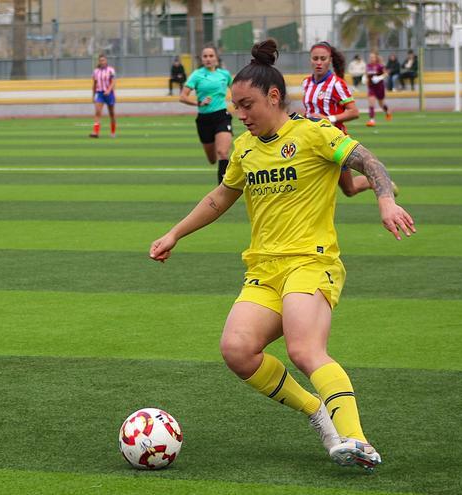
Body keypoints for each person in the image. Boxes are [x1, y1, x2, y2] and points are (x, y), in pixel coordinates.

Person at [150, 39, 415, 472]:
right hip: (265, 268)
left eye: (247, 104)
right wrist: (175, 233)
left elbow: (369, 162)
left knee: (305, 349)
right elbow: (220, 197)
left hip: (312, 261)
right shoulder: (245, 148)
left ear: (274, 97)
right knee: (237, 349)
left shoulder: (313, 132)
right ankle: (318, 413)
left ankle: (357, 439)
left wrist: (385, 200)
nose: (240, 114)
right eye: (236, 106)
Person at [301, 41, 396, 198]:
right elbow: (310, 111)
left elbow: (354, 112)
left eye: (323, 59)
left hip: (335, 141)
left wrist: (328, 118)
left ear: (330, 60)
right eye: (315, 58)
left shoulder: (336, 84)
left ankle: (383, 184)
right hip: (311, 142)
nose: (319, 62)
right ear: (310, 59)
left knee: (349, 190)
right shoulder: (306, 83)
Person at [180, 45, 233, 183]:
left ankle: (223, 189)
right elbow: (183, 96)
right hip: (204, 119)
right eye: (205, 56)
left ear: (216, 58)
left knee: (222, 152)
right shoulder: (197, 75)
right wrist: (198, 103)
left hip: (222, 116)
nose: (208, 59)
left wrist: (242, 105)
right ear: (201, 59)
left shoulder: (225, 74)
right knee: (212, 159)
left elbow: (236, 91)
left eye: (211, 56)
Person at [90, 53, 117, 138]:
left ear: (106, 61)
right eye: (100, 60)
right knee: (97, 112)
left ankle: (113, 132)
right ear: (99, 61)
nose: (102, 62)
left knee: (111, 114)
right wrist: (93, 95)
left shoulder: (111, 70)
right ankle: (96, 132)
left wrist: (108, 90)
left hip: (109, 93)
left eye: (103, 60)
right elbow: (94, 84)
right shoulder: (96, 71)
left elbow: (113, 82)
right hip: (100, 93)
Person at [365, 52, 391, 126]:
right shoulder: (368, 66)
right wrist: (364, 78)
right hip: (371, 87)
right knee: (371, 103)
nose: (371, 59)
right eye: (370, 57)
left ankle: (387, 112)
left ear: (376, 58)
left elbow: (386, 74)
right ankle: (372, 120)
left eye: (373, 57)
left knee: (381, 104)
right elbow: (366, 74)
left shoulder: (379, 66)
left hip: (379, 87)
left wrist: (379, 78)